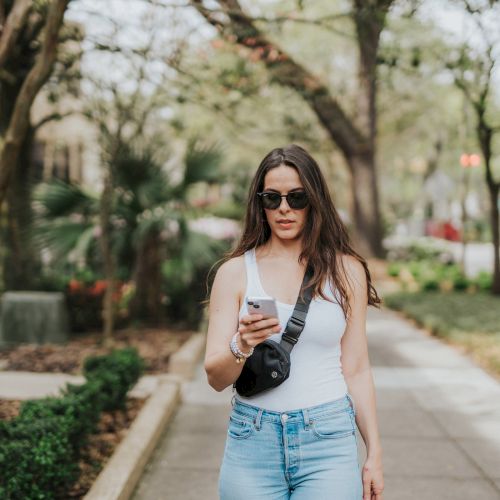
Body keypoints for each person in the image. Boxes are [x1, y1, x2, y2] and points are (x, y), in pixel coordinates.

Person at [205, 144, 384, 500]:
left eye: (297, 197)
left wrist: (374, 454)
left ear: (314, 200)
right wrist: (241, 345)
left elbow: (357, 368)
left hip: (328, 438)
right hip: (252, 440)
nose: (284, 208)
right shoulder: (235, 272)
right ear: (261, 204)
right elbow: (215, 378)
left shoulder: (346, 271)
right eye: (272, 198)